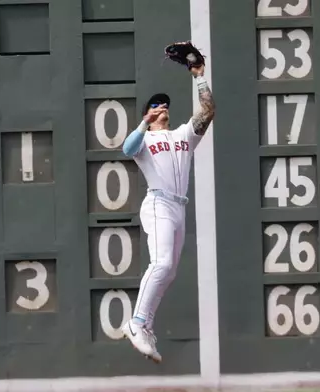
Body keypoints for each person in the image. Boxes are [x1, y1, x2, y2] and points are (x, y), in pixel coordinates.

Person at [119, 63, 215, 363]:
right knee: (160, 263)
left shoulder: (183, 135)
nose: (163, 107)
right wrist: (143, 124)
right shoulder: (144, 140)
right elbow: (126, 149)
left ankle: (145, 325)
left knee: (170, 271)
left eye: (165, 104)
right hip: (158, 203)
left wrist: (199, 77)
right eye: (156, 104)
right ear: (149, 112)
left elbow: (207, 112)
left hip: (179, 206)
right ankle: (135, 323)